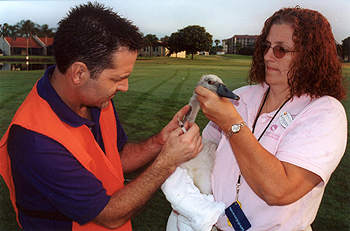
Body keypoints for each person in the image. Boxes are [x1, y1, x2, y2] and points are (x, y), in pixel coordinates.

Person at [0, 2, 202, 231]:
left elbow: (115, 157)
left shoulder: (96, 99)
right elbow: (109, 215)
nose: (124, 87)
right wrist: (167, 162)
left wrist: (159, 142)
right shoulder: (35, 141)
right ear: (79, 73)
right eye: (117, 79)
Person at [195, 7, 347, 231]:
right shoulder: (242, 96)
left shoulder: (324, 112)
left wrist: (232, 124)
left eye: (281, 50)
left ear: (309, 57)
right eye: (267, 46)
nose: (267, 56)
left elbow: (279, 190)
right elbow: (203, 151)